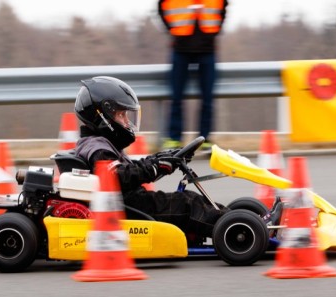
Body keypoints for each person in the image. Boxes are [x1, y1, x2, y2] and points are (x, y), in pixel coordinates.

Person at [73, 76, 281, 239]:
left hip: (131, 201)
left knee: (191, 199)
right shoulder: (96, 147)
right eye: (122, 115)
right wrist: (153, 167)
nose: (127, 122)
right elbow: (117, 177)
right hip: (126, 207)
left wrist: (160, 159)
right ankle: (245, 228)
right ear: (102, 116)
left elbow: (127, 170)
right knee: (187, 204)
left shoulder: (100, 143)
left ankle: (248, 220)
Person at [158, 0, 229, 151]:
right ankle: (174, 139)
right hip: (180, 49)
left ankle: (204, 139)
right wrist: (173, 30)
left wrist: (214, 32)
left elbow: (223, 7)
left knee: (207, 100)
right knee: (176, 98)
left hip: (207, 50)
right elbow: (162, 7)